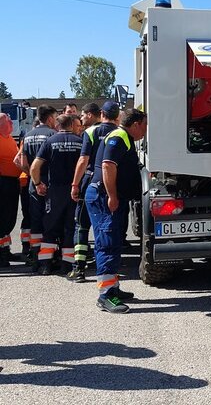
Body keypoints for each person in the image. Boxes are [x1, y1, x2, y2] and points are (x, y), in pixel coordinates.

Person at [86, 108, 147, 313]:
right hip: (104, 197)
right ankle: (105, 296)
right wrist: (112, 195)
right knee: (107, 244)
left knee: (113, 243)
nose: (146, 130)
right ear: (136, 124)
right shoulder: (119, 136)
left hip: (110, 198)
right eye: (145, 125)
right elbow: (108, 166)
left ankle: (113, 287)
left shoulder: (125, 138)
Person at [69, 101, 120, 282]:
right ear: (117, 116)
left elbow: (83, 160)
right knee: (109, 227)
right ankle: (110, 268)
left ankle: (79, 269)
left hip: (91, 182)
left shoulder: (90, 132)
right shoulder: (119, 132)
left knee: (82, 226)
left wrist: (75, 184)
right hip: (113, 185)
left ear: (100, 114)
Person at [30, 114, 82, 275]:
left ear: (57, 126)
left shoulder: (50, 142)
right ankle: (67, 264)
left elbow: (34, 167)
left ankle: (45, 264)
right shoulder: (80, 142)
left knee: (50, 227)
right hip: (75, 191)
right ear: (72, 125)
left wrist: (38, 184)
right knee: (70, 227)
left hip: (55, 192)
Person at [19, 105, 58, 268]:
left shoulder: (27, 136)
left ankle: (35, 256)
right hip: (49, 183)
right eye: (55, 118)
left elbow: (22, 163)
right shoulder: (52, 135)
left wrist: (34, 179)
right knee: (49, 220)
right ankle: (48, 259)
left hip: (33, 185)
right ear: (49, 118)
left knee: (35, 220)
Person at [0, 113, 21, 267]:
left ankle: (5, 250)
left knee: (9, 219)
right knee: (2, 219)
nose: (12, 124)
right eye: (9, 121)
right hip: (2, 183)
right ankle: (1, 255)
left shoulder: (9, 139)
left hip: (12, 183)